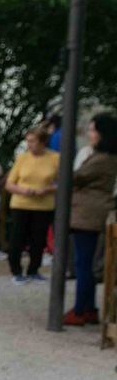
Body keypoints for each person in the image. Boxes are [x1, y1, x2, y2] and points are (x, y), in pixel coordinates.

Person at [64, 113, 117, 325]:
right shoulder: (103, 156)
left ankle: (80, 310)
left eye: (93, 130)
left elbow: (76, 177)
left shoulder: (102, 159)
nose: (90, 134)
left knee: (83, 264)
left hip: (88, 215)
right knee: (85, 262)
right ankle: (87, 308)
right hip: (89, 213)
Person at [6, 125, 59, 285]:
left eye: (32, 141)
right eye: (27, 141)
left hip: (44, 205)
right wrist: (23, 190)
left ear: (43, 142)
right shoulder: (22, 158)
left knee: (39, 240)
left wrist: (47, 189)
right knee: (18, 238)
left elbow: (63, 182)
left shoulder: (56, 158)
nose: (29, 145)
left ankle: (33, 270)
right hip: (21, 203)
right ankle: (16, 271)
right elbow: (9, 184)